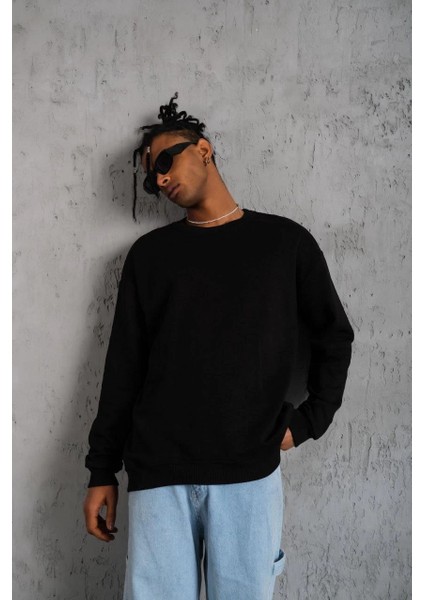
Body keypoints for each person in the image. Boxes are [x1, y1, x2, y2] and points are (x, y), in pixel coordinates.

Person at [83, 93, 354, 600]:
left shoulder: (285, 243)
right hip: (158, 473)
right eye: (150, 177)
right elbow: (123, 367)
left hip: (248, 470)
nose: (159, 179)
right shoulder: (150, 257)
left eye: (165, 161)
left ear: (203, 150)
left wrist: (309, 421)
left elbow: (334, 335)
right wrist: (102, 470)